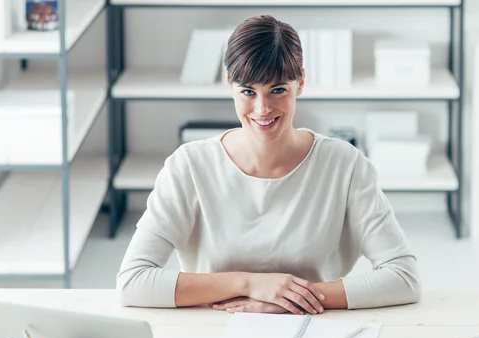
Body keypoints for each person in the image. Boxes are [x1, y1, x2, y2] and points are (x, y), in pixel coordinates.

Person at [116, 15, 421, 315]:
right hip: (212, 329)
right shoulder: (189, 166)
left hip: (312, 328)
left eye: (278, 90)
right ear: (230, 85)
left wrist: (286, 300)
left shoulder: (345, 165)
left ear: (300, 83)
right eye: (248, 91)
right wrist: (251, 284)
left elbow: (404, 277)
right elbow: (133, 281)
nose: (263, 109)